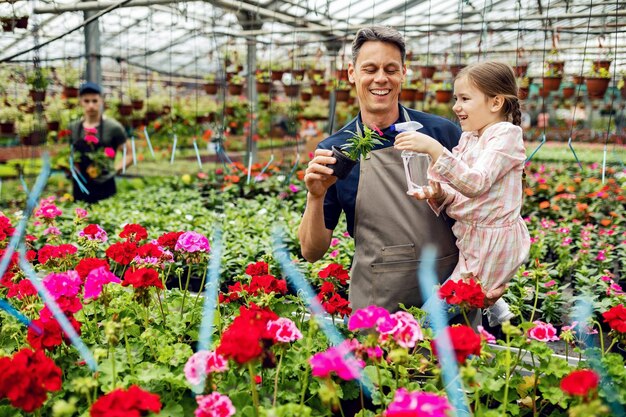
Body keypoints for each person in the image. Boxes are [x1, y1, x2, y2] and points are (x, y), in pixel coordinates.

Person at [298, 26, 507, 314]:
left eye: (391, 69)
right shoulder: (336, 151)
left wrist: (491, 276)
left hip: (449, 297)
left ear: (403, 73)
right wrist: (316, 196)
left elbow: (487, 208)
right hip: (379, 304)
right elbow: (312, 252)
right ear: (352, 73)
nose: (381, 78)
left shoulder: (442, 133)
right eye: (370, 69)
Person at [393, 61, 531, 326]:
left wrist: (434, 149)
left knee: (432, 317)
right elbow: (464, 192)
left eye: (465, 99)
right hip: (472, 239)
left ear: (496, 103)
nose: (456, 106)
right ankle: (498, 311)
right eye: (456, 98)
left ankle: (415, 344)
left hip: (491, 244)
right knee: (467, 298)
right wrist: (440, 194)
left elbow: (475, 183)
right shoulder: (470, 137)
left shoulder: (505, 136)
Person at [69, 82, 129, 204]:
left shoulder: (113, 127)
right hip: (80, 186)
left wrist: (113, 171)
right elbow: (71, 153)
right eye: (86, 101)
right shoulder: (73, 127)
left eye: (94, 101)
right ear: (80, 102)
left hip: (105, 185)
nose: (91, 105)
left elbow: (129, 154)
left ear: (101, 101)